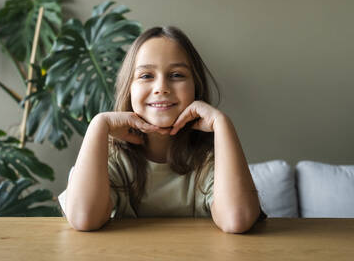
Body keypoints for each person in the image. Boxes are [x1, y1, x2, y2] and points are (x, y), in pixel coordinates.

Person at [59, 26, 267, 233]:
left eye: (177, 75)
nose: (161, 87)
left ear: (196, 87)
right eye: (146, 76)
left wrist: (222, 124)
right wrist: (99, 124)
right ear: (128, 89)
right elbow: (83, 219)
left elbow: (237, 220)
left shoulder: (209, 161)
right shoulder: (114, 158)